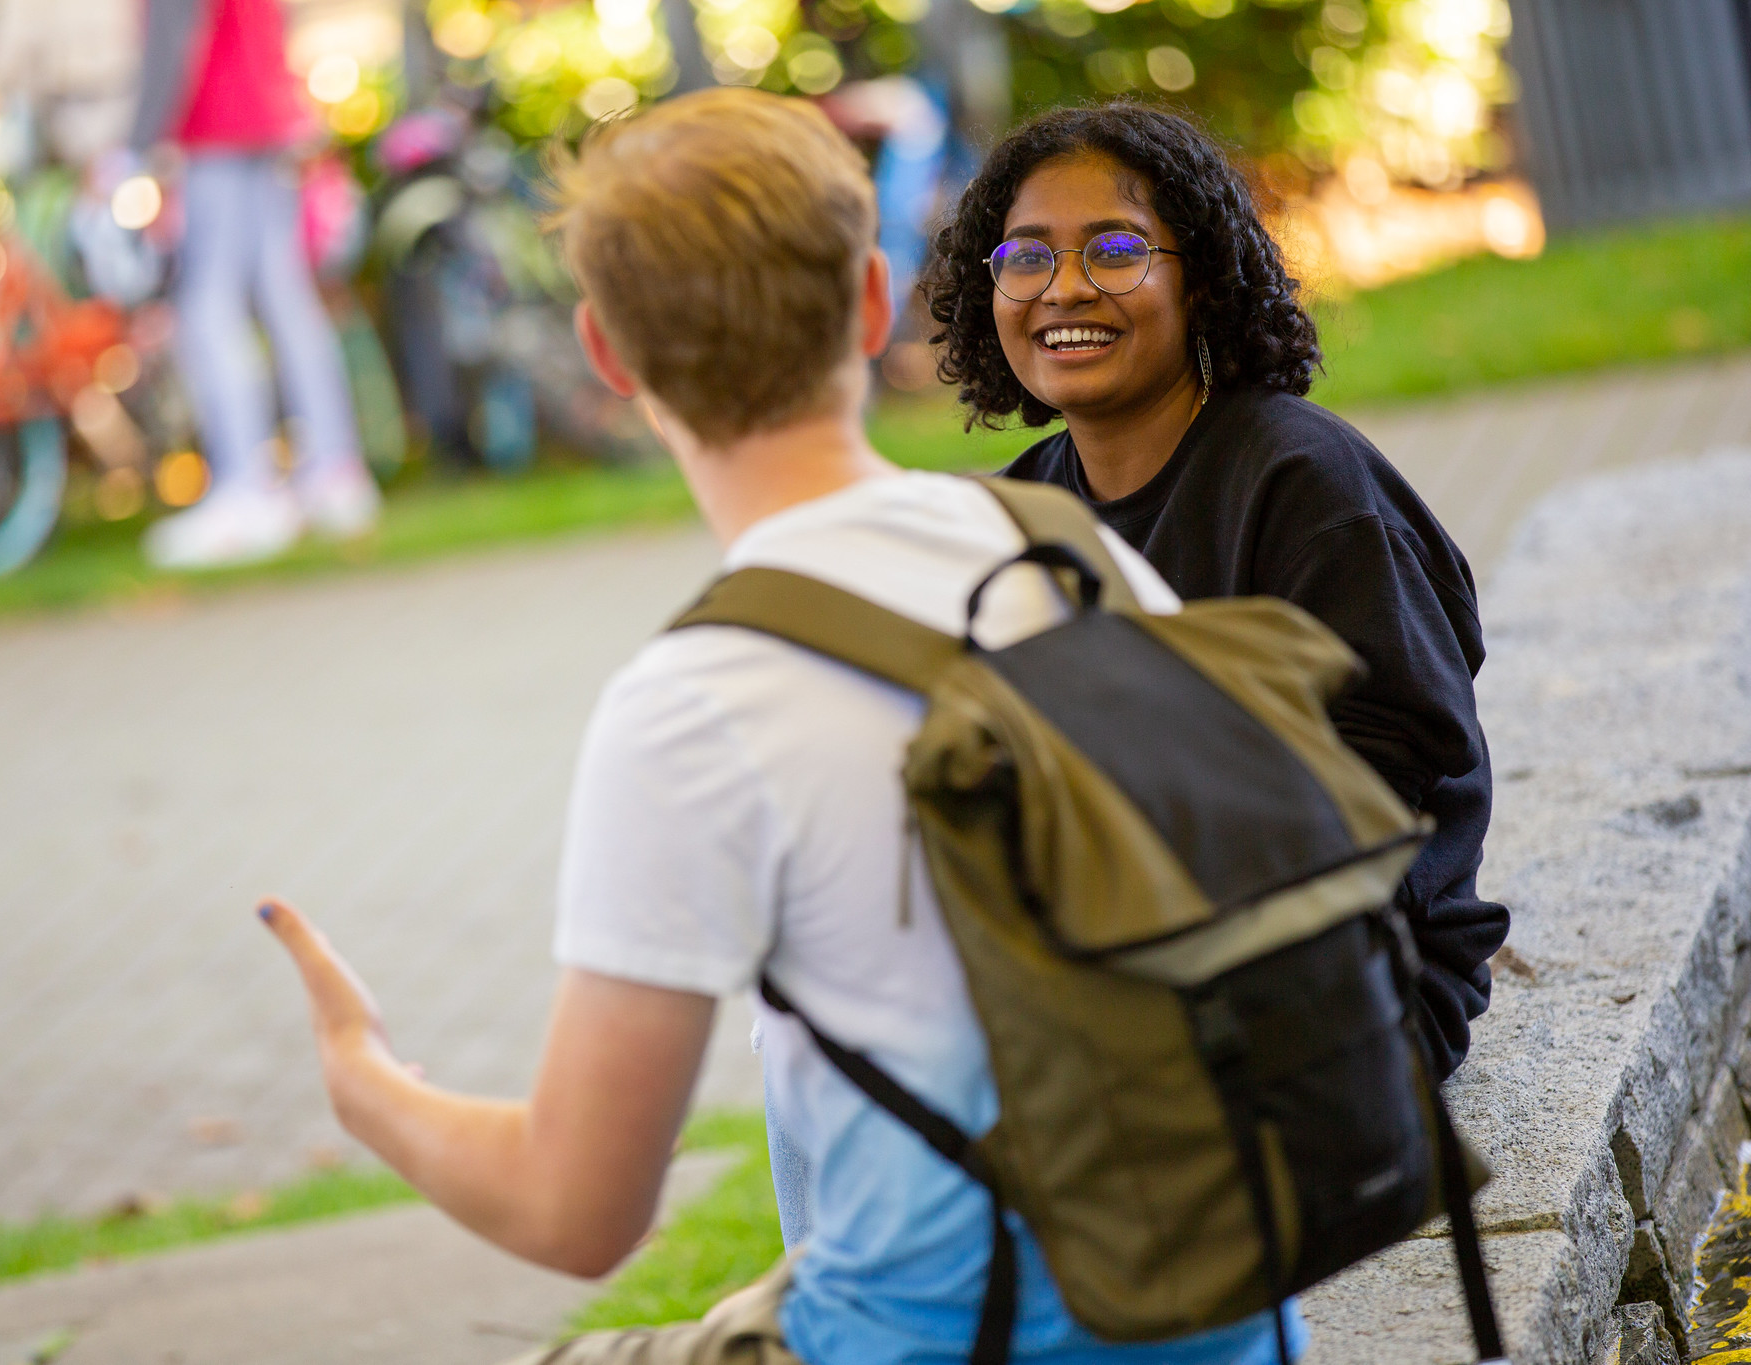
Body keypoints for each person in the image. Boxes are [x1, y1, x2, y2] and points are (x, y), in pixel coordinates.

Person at [259, 86, 1302, 1364]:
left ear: (606, 355)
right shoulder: (1058, 547)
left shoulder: (696, 703)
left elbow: (575, 1211)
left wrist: (366, 1083)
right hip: (1234, 1321)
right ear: (872, 303)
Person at [919, 102, 1508, 1082]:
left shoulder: (1299, 481)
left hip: (1347, 981)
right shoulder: (1013, 513)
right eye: (1024, 258)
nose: (1063, 288)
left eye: (1113, 250)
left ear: (1199, 278)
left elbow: (1383, 777)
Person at [123, 0, 378, 569]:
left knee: (208, 312)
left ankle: (247, 487)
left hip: (215, 128)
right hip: (268, 116)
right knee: (287, 299)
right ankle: (335, 472)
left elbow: (172, 35)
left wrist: (137, 147)